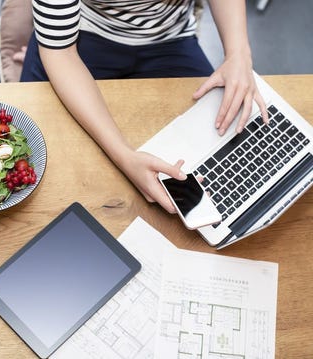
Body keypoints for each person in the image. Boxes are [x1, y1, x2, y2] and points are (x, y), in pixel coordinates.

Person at [21, 0, 268, 213]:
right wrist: (124, 156)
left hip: (170, 39)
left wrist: (238, 53)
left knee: (229, 160)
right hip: (82, 39)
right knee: (39, 171)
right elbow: (60, 53)